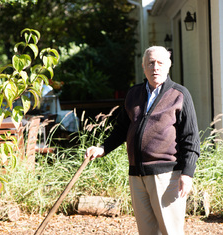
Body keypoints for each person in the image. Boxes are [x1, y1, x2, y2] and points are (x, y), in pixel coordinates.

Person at [85, 46, 200, 235]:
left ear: (169, 65)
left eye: (160, 63)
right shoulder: (133, 94)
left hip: (167, 176)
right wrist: (102, 148)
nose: (155, 67)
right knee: (146, 232)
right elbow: (121, 129)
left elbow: (191, 138)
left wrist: (187, 173)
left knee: (170, 232)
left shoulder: (179, 95)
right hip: (137, 175)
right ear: (143, 66)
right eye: (151, 63)